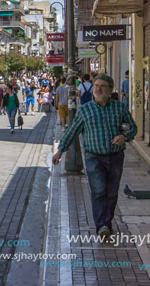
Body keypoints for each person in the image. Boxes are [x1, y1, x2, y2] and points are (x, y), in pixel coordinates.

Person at [53, 74, 138, 240]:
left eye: (102, 86)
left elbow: (132, 128)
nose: (98, 89)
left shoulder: (119, 108)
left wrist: (124, 136)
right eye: (96, 86)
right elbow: (72, 132)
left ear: (110, 89)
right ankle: (102, 226)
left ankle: (107, 221)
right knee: (99, 191)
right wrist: (60, 151)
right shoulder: (86, 109)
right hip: (94, 158)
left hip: (115, 157)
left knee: (112, 193)